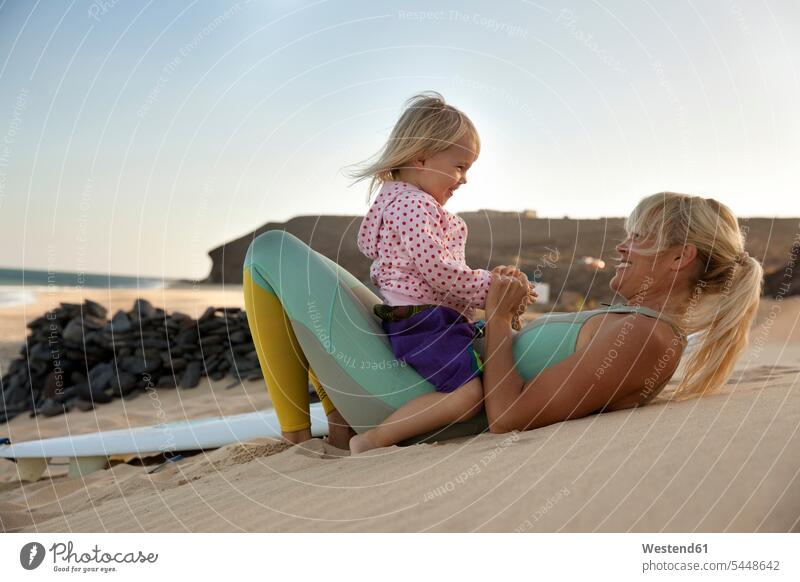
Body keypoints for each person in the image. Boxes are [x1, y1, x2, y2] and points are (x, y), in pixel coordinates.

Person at [242, 193, 761, 449]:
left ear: (679, 258)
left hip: (410, 407)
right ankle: (331, 425)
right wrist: (507, 321)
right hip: (419, 388)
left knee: (270, 250)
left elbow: (508, 417)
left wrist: (495, 316)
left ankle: (298, 440)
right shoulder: (636, 323)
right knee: (300, 266)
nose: (622, 246)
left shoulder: (647, 337)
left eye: (640, 238)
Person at [348, 92, 534, 453]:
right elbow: (438, 270)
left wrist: (491, 284)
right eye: (459, 166)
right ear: (420, 158)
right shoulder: (414, 205)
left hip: (427, 320)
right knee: (466, 396)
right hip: (424, 324)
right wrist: (492, 290)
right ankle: (374, 440)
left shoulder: (400, 203)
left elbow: (435, 269)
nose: (463, 179)